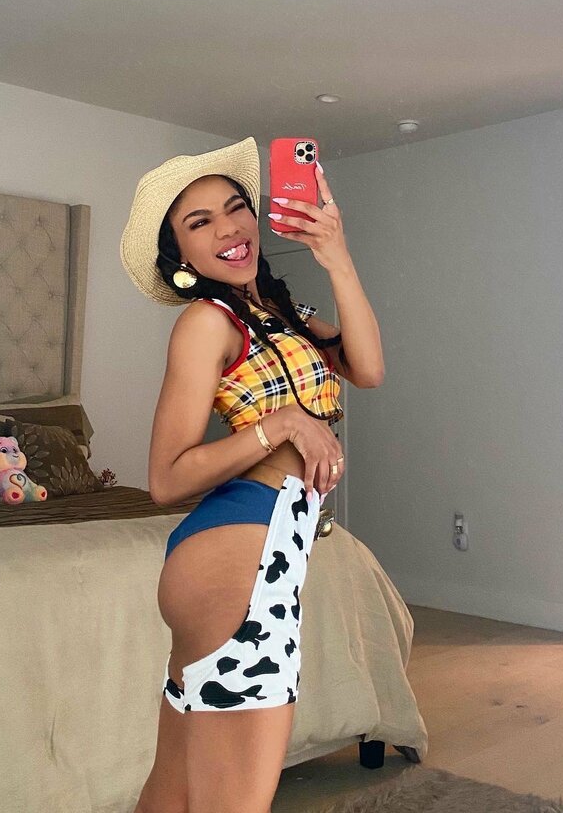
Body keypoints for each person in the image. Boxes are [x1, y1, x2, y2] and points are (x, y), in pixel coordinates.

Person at [120, 135, 384, 813]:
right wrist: (280, 424)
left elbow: (368, 368)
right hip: (236, 562)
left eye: (235, 208)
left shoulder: (281, 315)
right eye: (199, 222)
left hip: (263, 550)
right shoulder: (206, 323)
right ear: (180, 255)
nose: (228, 229)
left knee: (174, 797)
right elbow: (166, 478)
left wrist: (336, 255)